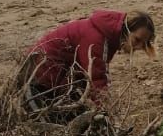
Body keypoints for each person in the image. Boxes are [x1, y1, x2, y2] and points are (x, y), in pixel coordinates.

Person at [21, 9, 156, 112]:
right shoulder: (97, 39)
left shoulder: (108, 35)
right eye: (137, 40)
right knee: (51, 124)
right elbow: (96, 79)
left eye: (143, 44)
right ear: (126, 29)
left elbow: (91, 73)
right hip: (38, 77)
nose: (138, 47)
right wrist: (106, 111)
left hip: (52, 74)